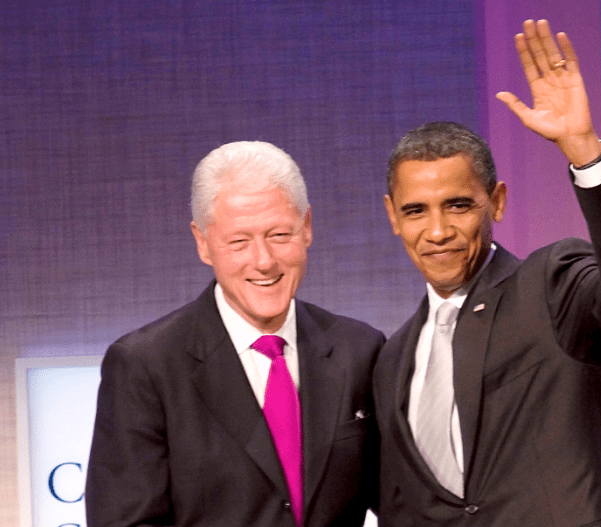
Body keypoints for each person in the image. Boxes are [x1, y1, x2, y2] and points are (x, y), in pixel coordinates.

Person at [374, 19, 601, 526]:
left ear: (496, 202)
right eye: (415, 211)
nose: (437, 230)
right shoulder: (392, 359)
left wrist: (584, 149)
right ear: (392, 216)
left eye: (457, 206)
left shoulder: (551, 285)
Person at [85, 141, 385, 527]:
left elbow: (403, 499)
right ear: (203, 243)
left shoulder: (359, 350)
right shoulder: (145, 366)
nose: (263, 261)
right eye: (239, 241)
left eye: (279, 234)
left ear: (307, 226)